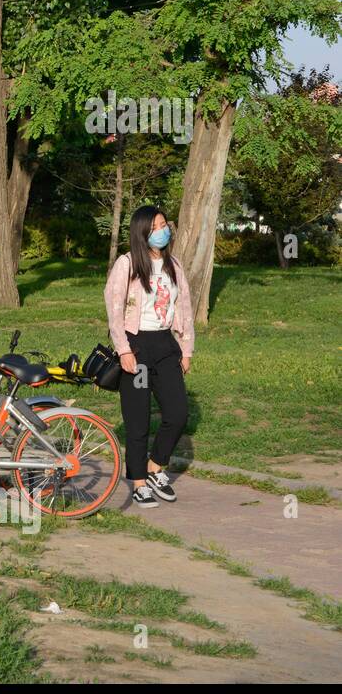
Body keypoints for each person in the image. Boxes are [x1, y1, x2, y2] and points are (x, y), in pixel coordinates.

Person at [105, 205, 194, 509]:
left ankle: (156, 467)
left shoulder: (175, 266)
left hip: (166, 346)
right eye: (156, 226)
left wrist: (186, 349)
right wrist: (124, 350)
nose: (163, 230)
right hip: (138, 347)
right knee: (138, 417)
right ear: (143, 231)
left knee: (178, 412)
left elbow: (185, 310)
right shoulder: (127, 264)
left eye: (164, 224)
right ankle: (140, 482)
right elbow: (114, 310)